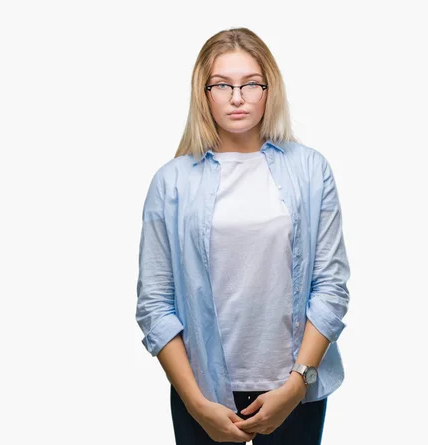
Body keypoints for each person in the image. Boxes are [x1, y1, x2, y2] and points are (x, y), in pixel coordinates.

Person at [136, 27, 351, 444]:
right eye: (222, 85)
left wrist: (296, 385)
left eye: (251, 83)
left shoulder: (310, 170)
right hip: (202, 391)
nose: (237, 97)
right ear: (204, 93)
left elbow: (330, 288)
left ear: (269, 89)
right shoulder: (172, 181)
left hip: (293, 389)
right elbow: (154, 305)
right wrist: (196, 403)